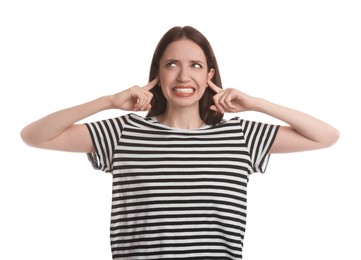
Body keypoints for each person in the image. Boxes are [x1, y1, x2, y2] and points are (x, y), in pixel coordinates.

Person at [21, 26, 339, 259]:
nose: (184, 77)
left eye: (195, 66)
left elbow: (326, 136)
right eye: (172, 64)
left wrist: (257, 103)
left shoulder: (240, 135)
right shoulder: (122, 133)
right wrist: (107, 102)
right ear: (157, 73)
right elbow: (35, 136)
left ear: (209, 75)